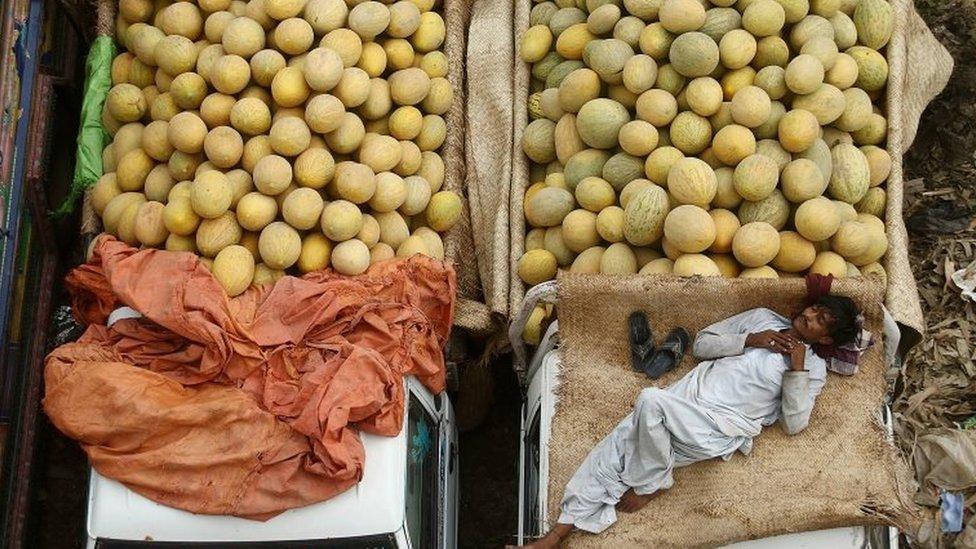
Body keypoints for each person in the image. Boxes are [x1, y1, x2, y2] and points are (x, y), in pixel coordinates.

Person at [507, 295, 863, 549]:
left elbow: (794, 423)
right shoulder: (762, 319)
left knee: (648, 401)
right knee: (615, 448)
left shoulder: (812, 369)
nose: (811, 316)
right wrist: (751, 340)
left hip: (717, 428)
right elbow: (703, 345)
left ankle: (653, 482)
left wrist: (796, 369)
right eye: (816, 308)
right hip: (685, 398)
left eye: (820, 322)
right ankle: (554, 537)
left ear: (826, 339)